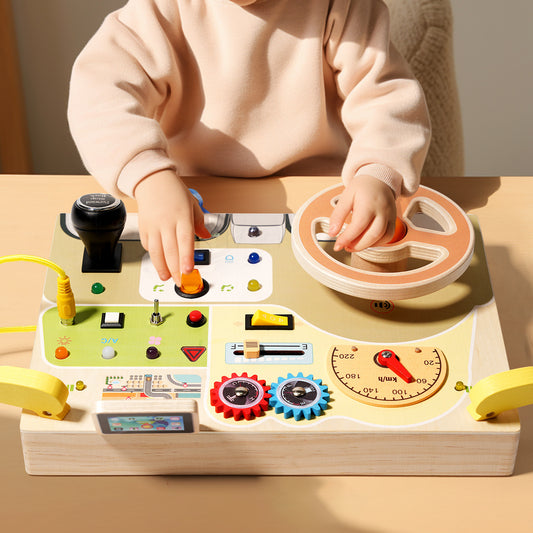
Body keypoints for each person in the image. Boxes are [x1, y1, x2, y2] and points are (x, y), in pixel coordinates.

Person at [68, 0, 430, 285]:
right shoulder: (158, 10)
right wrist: (148, 178)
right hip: (193, 206)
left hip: (326, 209)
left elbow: (385, 98)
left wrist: (378, 172)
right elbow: (98, 95)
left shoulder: (343, 5)